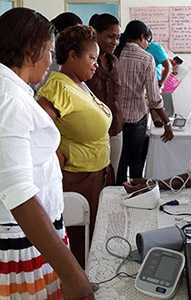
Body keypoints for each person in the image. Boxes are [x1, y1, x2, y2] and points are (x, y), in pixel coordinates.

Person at [0, 8, 94, 300]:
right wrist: (74, 276)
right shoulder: (10, 100)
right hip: (21, 238)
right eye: (50, 52)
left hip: (33, 235)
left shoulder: (14, 92)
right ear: (31, 50)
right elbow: (19, 194)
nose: (51, 61)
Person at [38, 25, 113, 268]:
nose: (96, 64)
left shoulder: (78, 83)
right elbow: (38, 134)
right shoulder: (58, 86)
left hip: (96, 175)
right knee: (79, 246)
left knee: (94, 241)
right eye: (91, 57)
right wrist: (58, 155)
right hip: (78, 179)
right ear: (72, 56)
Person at [114, 20, 174, 185]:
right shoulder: (146, 58)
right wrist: (167, 122)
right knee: (136, 162)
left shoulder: (115, 54)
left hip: (115, 118)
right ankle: (136, 193)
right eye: (147, 40)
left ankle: (117, 194)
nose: (147, 44)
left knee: (119, 160)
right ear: (142, 37)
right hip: (137, 119)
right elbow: (154, 98)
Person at [86, 13, 123, 182]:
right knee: (94, 179)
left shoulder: (114, 61)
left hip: (115, 127)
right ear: (96, 34)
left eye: (118, 37)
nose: (115, 42)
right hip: (92, 131)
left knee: (112, 175)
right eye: (110, 36)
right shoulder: (85, 62)